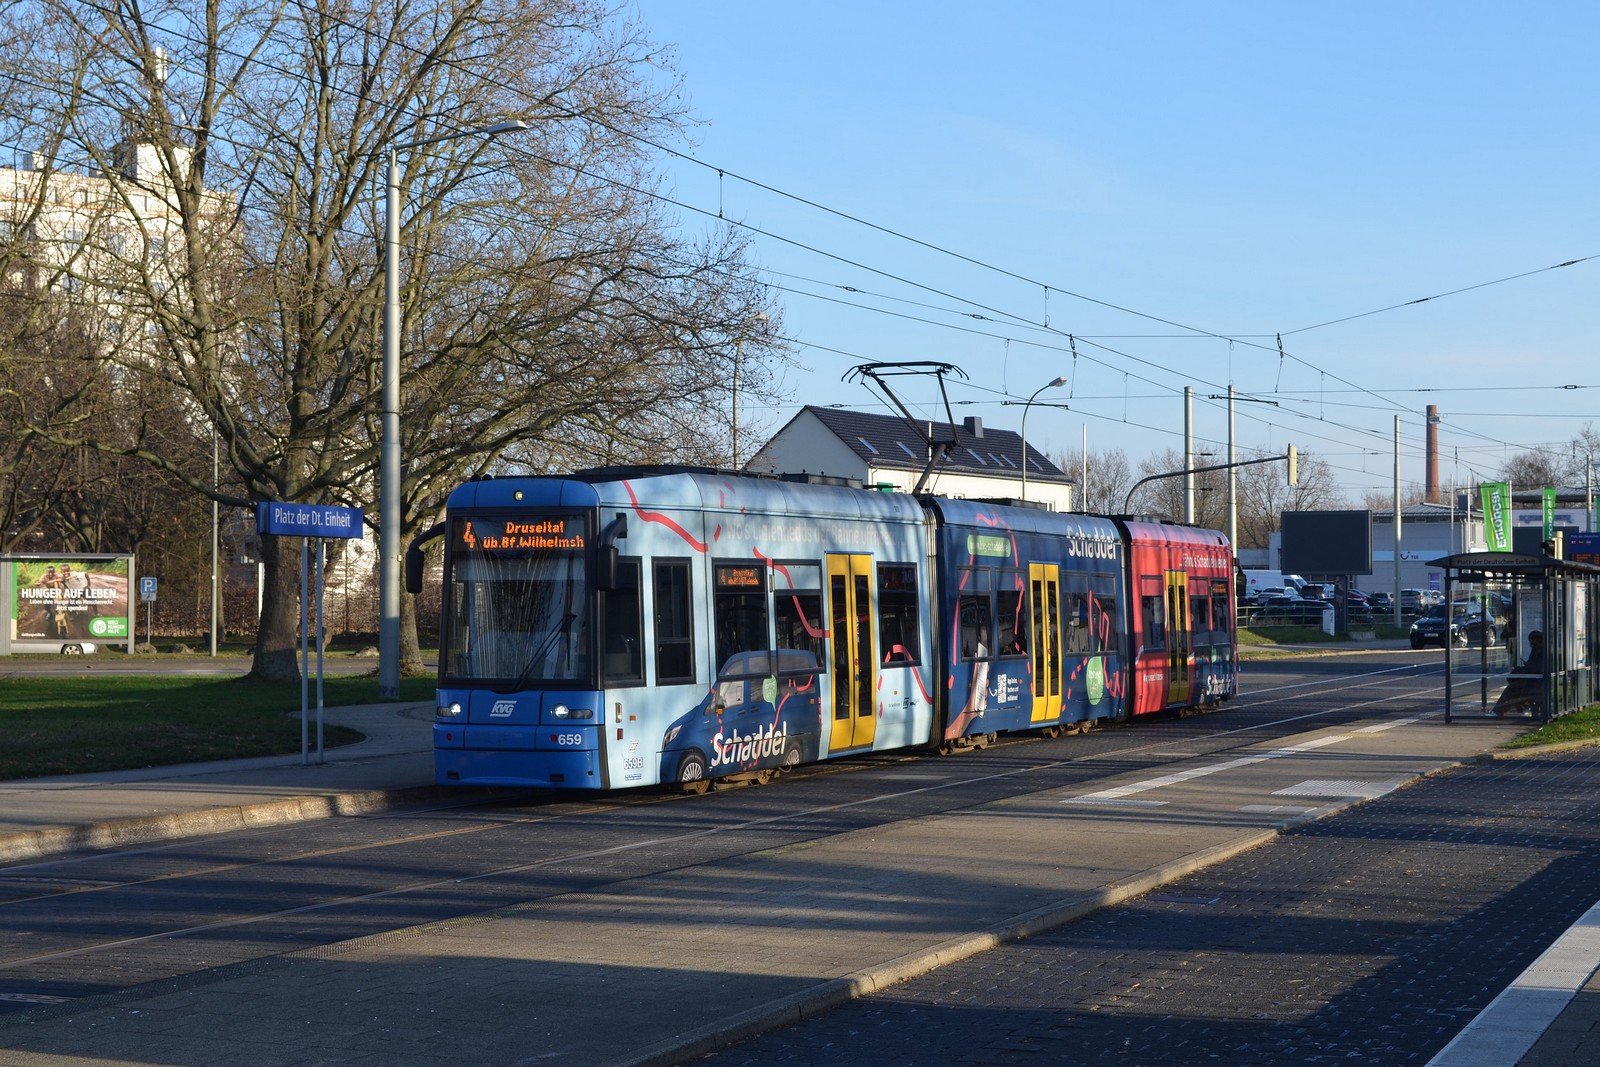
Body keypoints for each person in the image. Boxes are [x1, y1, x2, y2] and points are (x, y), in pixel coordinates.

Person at [1493, 629, 1544, 717]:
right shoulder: (1536, 649)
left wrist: (1528, 667)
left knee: (1511, 689)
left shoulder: (1542, 651)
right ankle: (1500, 710)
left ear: (1537, 640)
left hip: (1535, 681)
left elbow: (1538, 668)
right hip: (1531, 678)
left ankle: (1500, 710)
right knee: (1512, 689)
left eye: (1532, 641)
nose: (1531, 644)